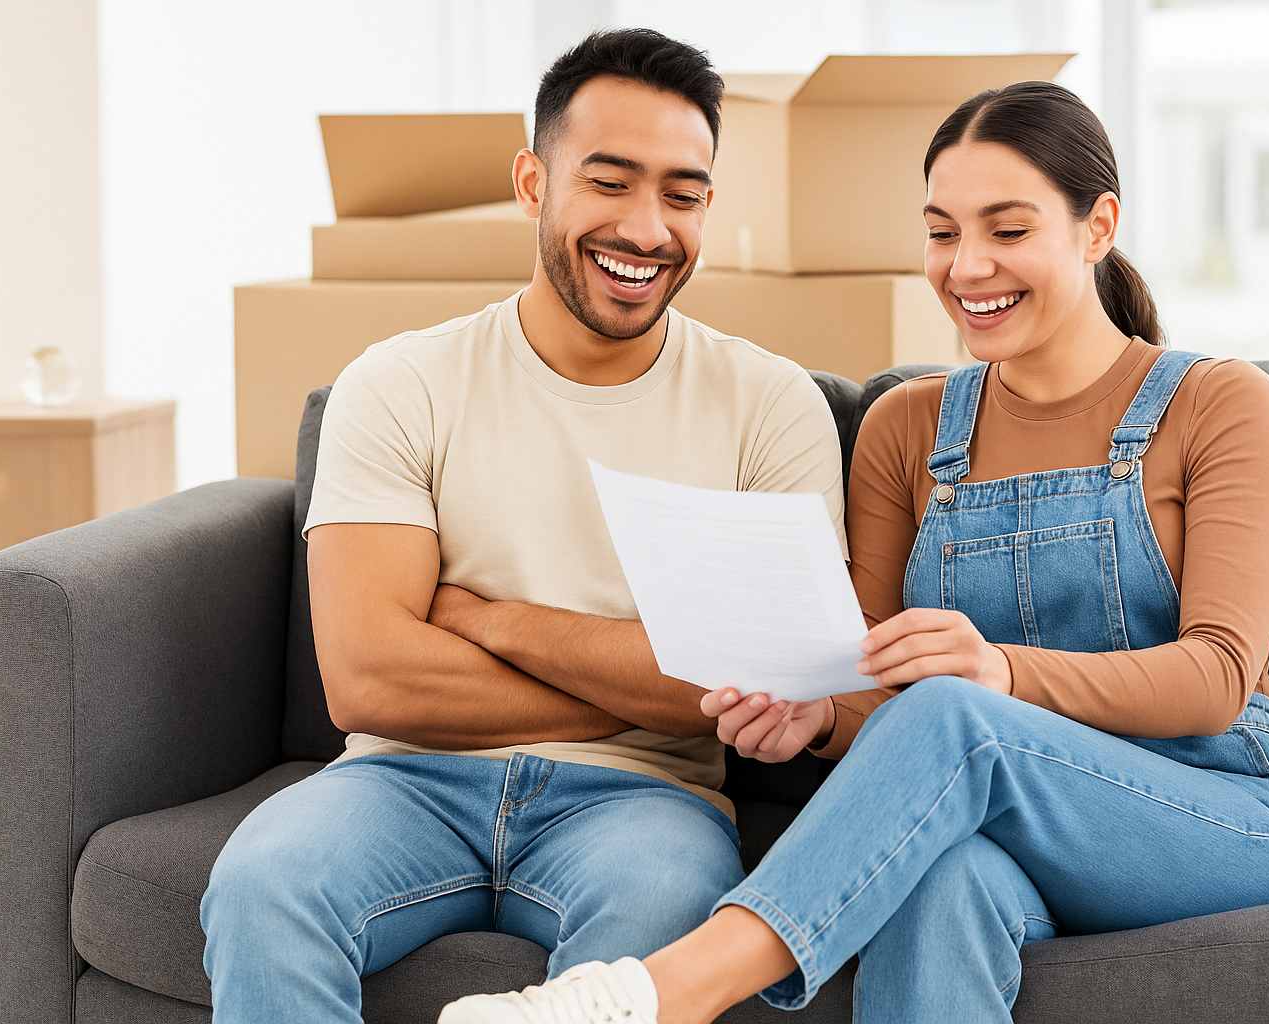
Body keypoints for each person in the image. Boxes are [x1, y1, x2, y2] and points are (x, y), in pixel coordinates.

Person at [440, 80, 1269, 1024]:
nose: (968, 266)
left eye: (1007, 231)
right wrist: (814, 720)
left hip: (1212, 806)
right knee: (937, 884)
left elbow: (1218, 676)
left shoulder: (1220, 405)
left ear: (1097, 226)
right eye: (942, 233)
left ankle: (663, 993)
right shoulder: (907, 428)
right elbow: (871, 696)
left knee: (955, 711)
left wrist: (995, 674)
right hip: (993, 815)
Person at [198, 28, 847, 1024]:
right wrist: (645, 680)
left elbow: (741, 685)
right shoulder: (400, 383)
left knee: (661, 929)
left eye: (681, 193)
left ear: (708, 206)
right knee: (262, 885)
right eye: (610, 181)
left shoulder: (774, 407)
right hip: (399, 783)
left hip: (646, 806)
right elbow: (369, 676)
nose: (645, 227)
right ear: (533, 181)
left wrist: (486, 619)